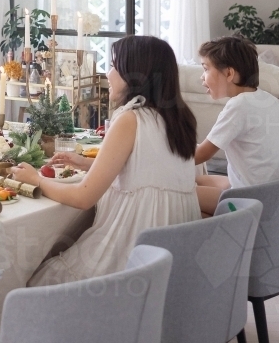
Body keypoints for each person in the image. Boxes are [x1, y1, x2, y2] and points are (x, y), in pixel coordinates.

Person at [12, 35, 200, 285]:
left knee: (39, 280)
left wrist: (35, 179)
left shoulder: (131, 119)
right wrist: (85, 163)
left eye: (114, 66)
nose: (107, 74)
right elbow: (146, 169)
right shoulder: (178, 118)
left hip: (135, 248)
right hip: (173, 252)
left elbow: (83, 197)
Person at [194, 36, 279, 216]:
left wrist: (166, 158)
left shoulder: (238, 106)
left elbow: (202, 154)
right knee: (199, 180)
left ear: (229, 73)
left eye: (206, 68)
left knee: (183, 193)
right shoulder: (268, 99)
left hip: (251, 200)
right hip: (271, 193)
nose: (202, 77)